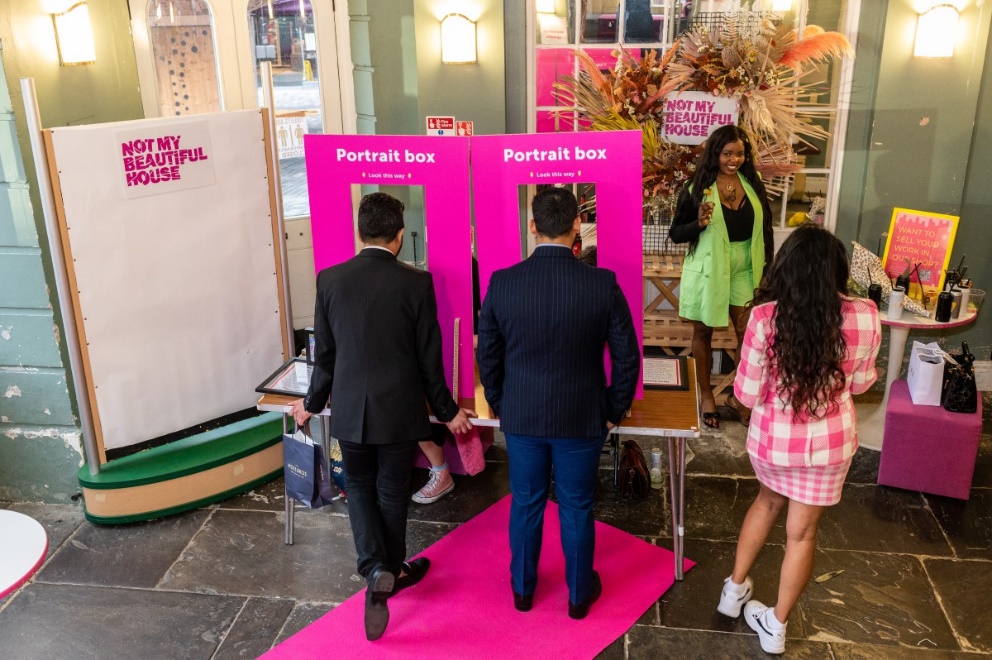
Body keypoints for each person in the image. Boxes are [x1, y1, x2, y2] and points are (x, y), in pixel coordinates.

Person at [291, 192, 475, 641]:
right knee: (392, 493)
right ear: (397, 236)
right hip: (399, 412)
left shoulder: (330, 279)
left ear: (360, 232)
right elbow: (430, 363)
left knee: (358, 489)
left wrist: (311, 405)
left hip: (351, 411)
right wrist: (449, 413)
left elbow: (326, 358)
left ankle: (374, 570)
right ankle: (388, 568)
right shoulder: (416, 283)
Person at [476, 187, 640, 619]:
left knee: (526, 503)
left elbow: (487, 353)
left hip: (523, 415)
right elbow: (627, 356)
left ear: (532, 227)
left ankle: (523, 591)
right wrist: (613, 410)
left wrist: (499, 401)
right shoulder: (602, 284)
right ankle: (578, 597)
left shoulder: (503, 282)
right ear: (576, 229)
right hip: (582, 416)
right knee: (577, 507)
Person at [717, 224, 881, 654]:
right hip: (828, 446)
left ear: (785, 267)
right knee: (802, 534)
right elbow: (861, 385)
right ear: (838, 270)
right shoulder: (865, 314)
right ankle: (775, 625)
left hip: (773, 441)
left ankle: (733, 593)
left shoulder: (764, 318)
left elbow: (746, 394)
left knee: (766, 502)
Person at [670, 124, 774, 429]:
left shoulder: (753, 186)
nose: (734, 159)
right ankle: (707, 397)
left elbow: (765, 231)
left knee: (750, 336)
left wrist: (769, 270)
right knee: (703, 334)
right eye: (728, 153)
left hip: (746, 269)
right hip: (708, 270)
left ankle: (740, 397)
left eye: (740, 153)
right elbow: (676, 233)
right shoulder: (694, 188)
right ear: (715, 153)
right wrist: (699, 224)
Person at [411, 256, 482, 505]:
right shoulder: (419, 280)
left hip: (456, 358)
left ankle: (441, 471)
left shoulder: (469, 265)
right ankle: (440, 470)